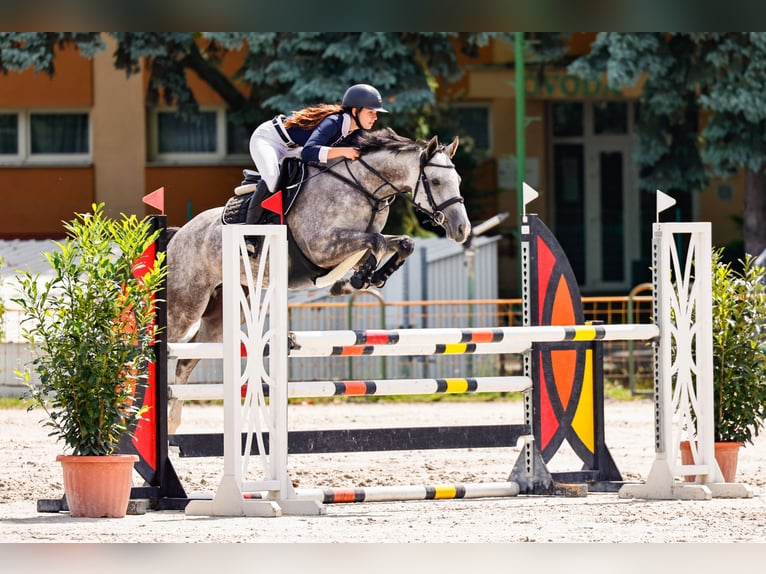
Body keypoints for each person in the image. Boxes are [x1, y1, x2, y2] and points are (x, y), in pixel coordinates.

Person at [245, 83, 388, 230]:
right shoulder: (334, 122)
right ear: (355, 111)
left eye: (376, 113)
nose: (375, 117)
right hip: (269, 139)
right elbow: (309, 152)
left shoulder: (356, 132)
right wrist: (344, 151)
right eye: (371, 112)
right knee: (272, 178)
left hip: (294, 149)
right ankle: (249, 231)